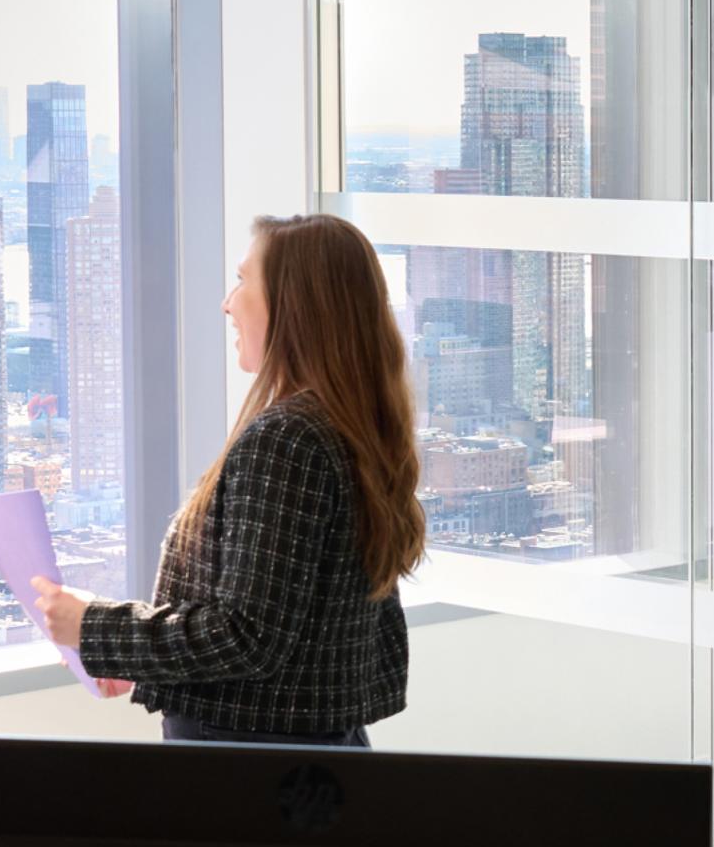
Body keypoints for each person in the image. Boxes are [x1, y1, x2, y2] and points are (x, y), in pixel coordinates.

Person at [26, 215, 423, 748]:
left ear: (293, 305)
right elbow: (297, 627)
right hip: (314, 749)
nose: (228, 303)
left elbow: (248, 636)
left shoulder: (288, 438)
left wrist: (92, 627)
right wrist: (145, 662)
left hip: (248, 760)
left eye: (243, 280)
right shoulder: (349, 427)